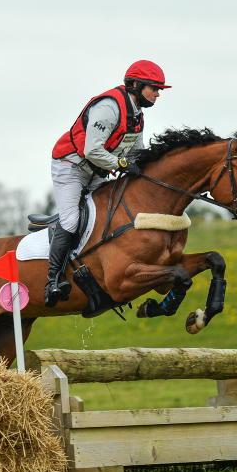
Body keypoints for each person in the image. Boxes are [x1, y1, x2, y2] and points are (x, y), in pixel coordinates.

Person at [45, 60, 171, 306]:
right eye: (154, 88)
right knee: (71, 220)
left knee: (106, 216)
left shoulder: (137, 115)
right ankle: (52, 280)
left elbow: (136, 151)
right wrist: (121, 164)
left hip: (97, 171)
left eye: (159, 90)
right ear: (136, 85)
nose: (158, 94)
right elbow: (92, 150)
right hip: (71, 166)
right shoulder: (109, 107)